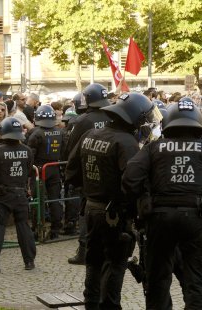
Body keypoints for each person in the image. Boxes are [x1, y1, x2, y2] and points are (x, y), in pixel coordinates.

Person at [123, 99, 202, 309]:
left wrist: (144, 196)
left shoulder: (153, 148)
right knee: (199, 281)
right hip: (197, 217)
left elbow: (130, 179)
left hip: (159, 219)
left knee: (157, 280)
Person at [65, 92, 154, 309]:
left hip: (91, 209)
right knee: (115, 264)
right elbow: (133, 183)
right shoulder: (127, 143)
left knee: (93, 262)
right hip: (116, 215)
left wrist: (89, 190)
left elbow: (71, 172)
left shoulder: (90, 134)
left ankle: (91, 304)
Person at [0, 117, 37, 272]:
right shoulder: (27, 150)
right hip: (21, 194)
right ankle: (29, 261)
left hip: (3, 195)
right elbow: (29, 169)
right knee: (24, 226)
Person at [64, 83, 112, 265]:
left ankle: (84, 250)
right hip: (109, 171)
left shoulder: (82, 120)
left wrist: (71, 174)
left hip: (89, 171)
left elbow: (72, 149)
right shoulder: (112, 115)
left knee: (86, 210)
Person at [26, 105, 64, 239]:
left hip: (39, 170)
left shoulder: (36, 133)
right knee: (55, 199)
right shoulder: (60, 132)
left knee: (38, 200)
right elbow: (64, 152)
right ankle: (55, 230)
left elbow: (30, 155)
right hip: (55, 168)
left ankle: (37, 229)